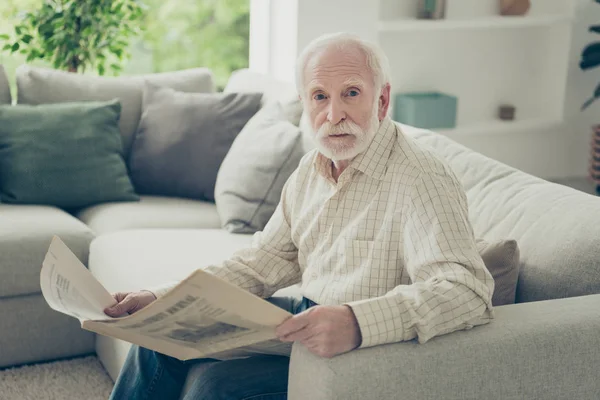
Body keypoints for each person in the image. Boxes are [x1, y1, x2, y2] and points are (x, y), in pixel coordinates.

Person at [106, 32, 495, 400]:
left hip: (369, 350)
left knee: (215, 386)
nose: (333, 113)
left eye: (351, 93)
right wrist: (164, 297)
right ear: (305, 102)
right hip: (305, 317)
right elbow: (262, 263)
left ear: (381, 100)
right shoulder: (312, 168)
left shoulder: (421, 177)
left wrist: (357, 322)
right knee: (160, 335)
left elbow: (467, 291)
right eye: (320, 96)